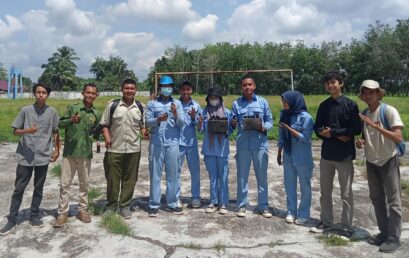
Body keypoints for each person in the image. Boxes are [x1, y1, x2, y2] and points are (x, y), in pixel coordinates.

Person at [0, 83, 60, 236]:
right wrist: (29, 130)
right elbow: (15, 132)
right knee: (19, 188)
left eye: (44, 92)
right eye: (38, 92)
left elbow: (55, 132)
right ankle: (12, 219)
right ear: (34, 94)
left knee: (38, 188)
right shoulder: (26, 110)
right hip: (25, 156)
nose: (41, 95)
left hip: (43, 156)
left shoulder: (52, 112)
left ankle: (34, 215)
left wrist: (57, 149)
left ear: (48, 95)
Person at [356, 80, 404, 253]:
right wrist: (360, 142)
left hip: (388, 160)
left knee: (394, 200)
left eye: (371, 92)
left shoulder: (388, 111)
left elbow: (398, 137)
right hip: (371, 161)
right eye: (364, 92)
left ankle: (394, 237)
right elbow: (365, 137)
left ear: (378, 93)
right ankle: (384, 233)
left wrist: (374, 126)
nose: (368, 95)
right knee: (376, 199)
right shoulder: (364, 113)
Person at [311, 71, 361, 234]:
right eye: (328, 83)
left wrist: (334, 133)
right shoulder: (323, 105)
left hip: (344, 156)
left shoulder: (350, 105)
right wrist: (323, 132)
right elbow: (317, 127)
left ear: (341, 84)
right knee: (325, 191)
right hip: (327, 155)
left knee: (346, 193)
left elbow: (356, 129)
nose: (330, 85)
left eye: (333, 82)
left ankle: (347, 226)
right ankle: (326, 221)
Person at [53, 83, 102, 228]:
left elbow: (96, 131)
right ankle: (62, 213)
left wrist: (94, 140)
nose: (90, 95)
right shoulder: (72, 108)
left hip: (85, 153)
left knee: (84, 184)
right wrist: (70, 120)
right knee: (65, 183)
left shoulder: (96, 114)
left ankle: (82, 210)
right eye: (88, 92)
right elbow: (59, 124)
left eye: (93, 93)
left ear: (96, 95)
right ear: (83, 93)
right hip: (69, 152)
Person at [100, 79, 145, 219]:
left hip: (133, 149)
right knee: (113, 179)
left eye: (132, 88)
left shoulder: (140, 107)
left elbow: (143, 126)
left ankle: (125, 206)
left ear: (136, 90)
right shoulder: (113, 106)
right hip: (115, 149)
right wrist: (107, 138)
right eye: (127, 88)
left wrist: (145, 132)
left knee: (130, 179)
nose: (129, 91)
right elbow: (104, 125)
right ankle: (111, 205)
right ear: (122, 89)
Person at [232, 74, 273, 218]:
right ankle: (242, 205)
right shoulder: (236, 104)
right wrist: (233, 123)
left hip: (260, 144)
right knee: (242, 177)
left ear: (254, 86)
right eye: (244, 85)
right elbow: (233, 121)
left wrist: (264, 127)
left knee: (261, 177)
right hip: (243, 144)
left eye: (250, 84)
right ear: (241, 87)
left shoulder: (262, 102)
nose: (247, 87)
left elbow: (269, 120)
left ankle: (263, 206)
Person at [145, 75, 186, 217]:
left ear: (172, 88)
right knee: (155, 174)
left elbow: (182, 123)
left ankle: (173, 203)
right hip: (156, 143)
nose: (166, 89)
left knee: (173, 174)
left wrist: (175, 114)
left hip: (173, 143)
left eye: (169, 86)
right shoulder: (152, 104)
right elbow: (147, 122)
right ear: (160, 88)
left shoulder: (177, 104)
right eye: (164, 87)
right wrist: (157, 119)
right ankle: (154, 204)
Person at [277, 90, 314, 225]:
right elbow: (281, 135)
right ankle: (291, 211)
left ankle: (303, 214)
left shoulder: (306, 118)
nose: (284, 103)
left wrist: (289, 128)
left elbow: (305, 138)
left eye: (286, 101)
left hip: (302, 157)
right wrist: (279, 152)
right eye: (283, 101)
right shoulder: (284, 114)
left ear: (294, 101)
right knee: (289, 185)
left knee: (305, 187)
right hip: (288, 155)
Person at [199, 87, 233, 214]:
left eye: (216, 98)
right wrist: (200, 123)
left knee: (223, 177)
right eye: (211, 98)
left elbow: (230, 131)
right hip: (209, 149)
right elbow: (201, 131)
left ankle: (224, 203)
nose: (214, 100)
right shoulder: (204, 112)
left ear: (220, 99)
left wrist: (231, 126)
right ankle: (213, 201)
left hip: (223, 150)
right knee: (213, 177)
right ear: (208, 100)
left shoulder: (227, 113)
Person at [177, 80, 202, 208]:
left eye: (188, 89)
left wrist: (194, 118)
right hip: (178, 143)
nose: (186, 91)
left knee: (195, 171)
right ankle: (176, 197)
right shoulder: (175, 104)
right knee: (176, 171)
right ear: (180, 91)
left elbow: (200, 126)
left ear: (191, 90)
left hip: (191, 143)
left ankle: (196, 197)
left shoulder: (196, 106)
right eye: (183, 89)